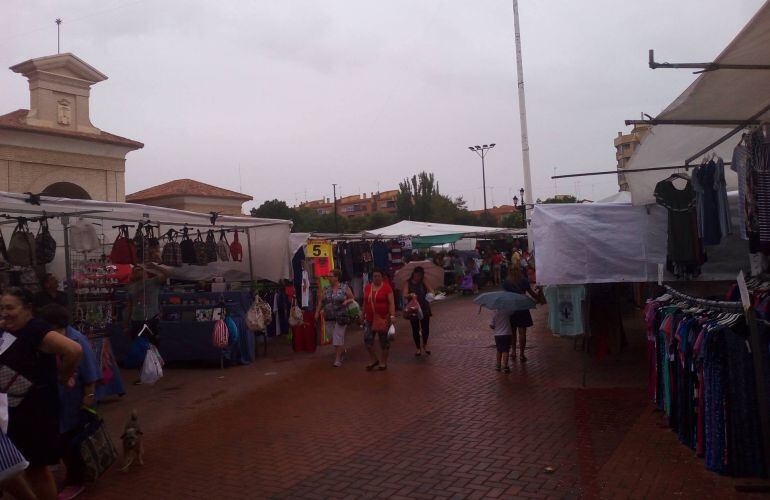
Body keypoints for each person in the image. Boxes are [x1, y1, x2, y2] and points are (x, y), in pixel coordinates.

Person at [0, 287, 82, 500]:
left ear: (28, 308)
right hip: (10, 409)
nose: (5, 312)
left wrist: (63, 377)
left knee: (35, 467)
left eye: (10, 307)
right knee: (13, 464)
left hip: (35, 411)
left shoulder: (36, 329)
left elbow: (73, 350)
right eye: (1, 308)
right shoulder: (7, 330)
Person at [37, 304, 100, 500]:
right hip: (57, 401)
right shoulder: (48, 342)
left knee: (73, 442)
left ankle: (76, 480)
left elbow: (90, 376)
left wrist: (87, 400)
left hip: (74, 402)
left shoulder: (76, 341)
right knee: (62, 439)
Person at [503, 257, 541, 362]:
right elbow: (531, 293)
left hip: (511, 308)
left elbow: (505, 296)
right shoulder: (524, 280)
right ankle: (522, 354)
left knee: (513, 332)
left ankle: (514, 352)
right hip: (522, 308)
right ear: (519, 271)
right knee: (522, 333)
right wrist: (539, 299)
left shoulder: (506, 282)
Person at [314, 269, 355, 367]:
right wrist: (317, 312)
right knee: (332, 336)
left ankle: (337, 359)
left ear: (336, 278)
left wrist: (347, 301)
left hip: (341, 316)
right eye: (328, 276)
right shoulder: (326, 289)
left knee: (338, 336)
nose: (328, 278)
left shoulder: (344, 288)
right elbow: (321, 302)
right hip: (329, 316)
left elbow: (352, 298)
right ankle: (342, 351)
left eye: (330, 276)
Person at [363, 269, 395, 371]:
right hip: (370, 319)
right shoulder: (367, 287)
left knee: (384, 342)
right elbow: (365, 302)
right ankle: (374, 359)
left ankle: (383, 362)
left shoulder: (387, 287)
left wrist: (392, 316)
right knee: (367, 340)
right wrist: (361, 313)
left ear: (382, 277)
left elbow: (391, 302)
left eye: (378, 276)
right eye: (375, 276)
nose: (376, 278)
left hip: (383, 318)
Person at [402, 266, 434, 356]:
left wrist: (431, 294)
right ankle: (418, 348)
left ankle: (425, 345)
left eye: (420, 276)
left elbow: (431, 290)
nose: (418, 277)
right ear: (413, 274)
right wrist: (410, 295)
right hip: (413, 308)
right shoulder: (408, 282)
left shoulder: (424, 280)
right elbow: (404, 294)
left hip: (424, 306)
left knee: (425, 328)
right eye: (416, 275)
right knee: (415, 328)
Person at [490, 309, 513, 373]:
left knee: (499, 350)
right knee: (505, 350)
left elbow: (491, 325)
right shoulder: (508, 311)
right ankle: (505, 366)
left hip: (497, 335)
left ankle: (498, 365)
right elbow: (513, 313)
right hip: (506, 334)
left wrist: (496, 327)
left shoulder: (494, 313)